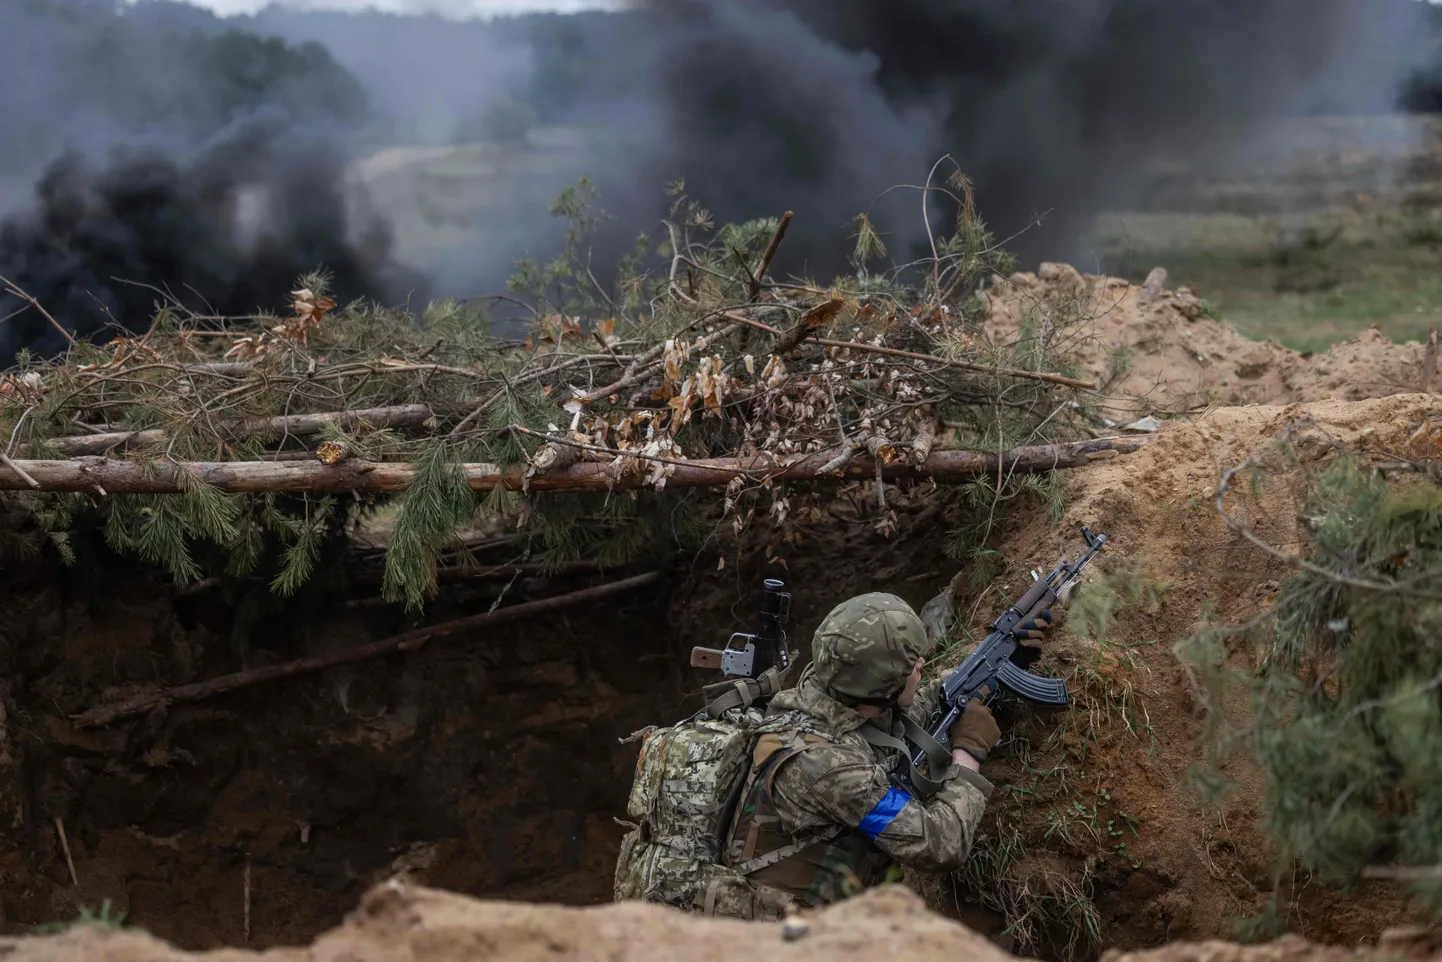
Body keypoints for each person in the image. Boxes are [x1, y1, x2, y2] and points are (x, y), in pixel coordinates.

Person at [716, 591, 1049, 914]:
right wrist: (969, 754)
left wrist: (999, 662)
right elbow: (941, 844)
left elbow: (916, 709)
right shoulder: (828, 768)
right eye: (908, 668)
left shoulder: (831, 691)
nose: (921, 663)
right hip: (792, 936)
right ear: (881, 687)